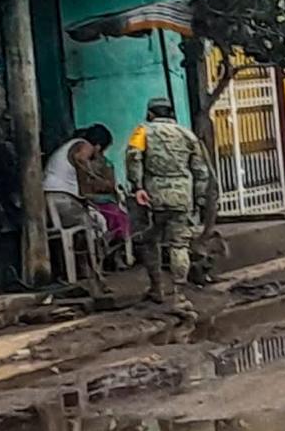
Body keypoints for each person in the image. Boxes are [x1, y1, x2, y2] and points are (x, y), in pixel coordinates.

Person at [125, 97, 210, 312]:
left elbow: (133, 157)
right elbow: (201, 170)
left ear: (150, 114)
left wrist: (137, 187)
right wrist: (198, 198)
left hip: (153, 197)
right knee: (179, 245)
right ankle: (180, 296)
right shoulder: (187, 135)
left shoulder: (142, 131)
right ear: (171, 114)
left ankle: (157, 288)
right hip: (182, 197)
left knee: (149, 240)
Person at [42, 126, 110, 284]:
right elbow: (81, 157)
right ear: (98, 146)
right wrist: (92, 176)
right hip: (61, 199)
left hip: (50, 199)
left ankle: (81, 269)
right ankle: (93, 270)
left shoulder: (68, 146)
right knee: (96, 224)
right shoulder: (83, 145)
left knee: (84, 224)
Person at [75, 124, 132, 247]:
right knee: (114, 217)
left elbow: (110, 185)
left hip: (102, 201)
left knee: (120, 218)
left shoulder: (104, 164)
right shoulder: (80, 162)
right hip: (90, 202)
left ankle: (118, 251)